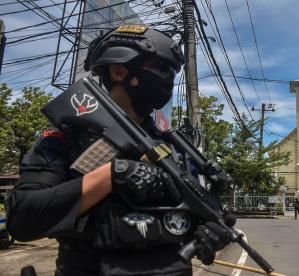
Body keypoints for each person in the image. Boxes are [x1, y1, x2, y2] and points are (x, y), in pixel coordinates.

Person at [6, 24, 235, 276]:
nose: (168, 80)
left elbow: (185, 219)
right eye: (160, 69)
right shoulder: (67, 137)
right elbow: (23, 219)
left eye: (172, 73)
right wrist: (113, 175)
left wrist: (209, 233)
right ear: (119, 71)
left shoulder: (172, 146)